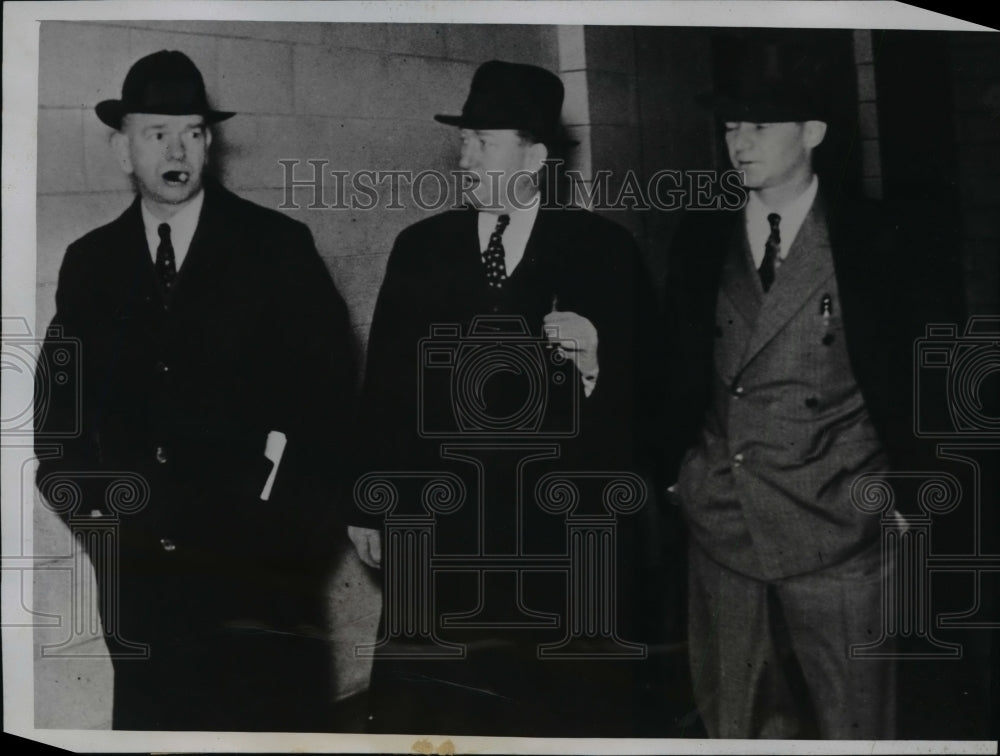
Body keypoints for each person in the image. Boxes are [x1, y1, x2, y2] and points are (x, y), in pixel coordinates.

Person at [34, 50, 357, 731]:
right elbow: (58, 426)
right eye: (157, 134)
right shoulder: (89, 264)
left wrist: (283, 539)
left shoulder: (277, 247)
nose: (177, 150)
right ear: (124, 151)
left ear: (209, 143)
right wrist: (109, 534)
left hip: (261, 582)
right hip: (142, 586)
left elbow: (329, 407)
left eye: (192, 132)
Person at [346, 60, 664, 737]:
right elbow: (386, 388)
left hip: (553, 536)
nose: (464, 158)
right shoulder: (419, 248)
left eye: (483, 143)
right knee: (434, 710)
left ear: (535, 156)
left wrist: (597, 360)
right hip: (440, 531)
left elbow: (654, 395)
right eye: (463, 141)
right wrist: (368, 502)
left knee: (555, 710)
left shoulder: (602, 251)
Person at [663, 38, 965, 739]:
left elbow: (926, 381)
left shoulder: (880, 235)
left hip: (842, 528)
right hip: (723, 526)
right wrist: (678, 477)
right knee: (733, 724)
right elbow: (671, 371)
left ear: (814, 134)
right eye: (731, 127)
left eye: (759, 126)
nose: (739, 143)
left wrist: (910, 501)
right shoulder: (700, 236)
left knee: (855, 725)